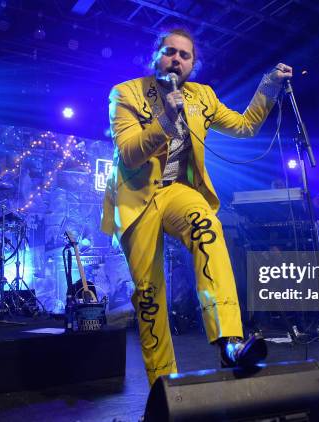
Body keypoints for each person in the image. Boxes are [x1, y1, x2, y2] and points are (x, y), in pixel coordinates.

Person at [101, 27, 292, 384]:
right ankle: (163, 383)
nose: (176, 59)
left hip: (178, 190)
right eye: (170, 52)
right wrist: (164, 122)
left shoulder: (202, 96)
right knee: (149, 296)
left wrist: (269, 86)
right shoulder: (125, 93)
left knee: (208, 227)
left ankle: (229, 342)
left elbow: (246, 126)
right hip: (136, 197)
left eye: (184, 55)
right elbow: (128, 154)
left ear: (193, 64)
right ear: (155, 56)